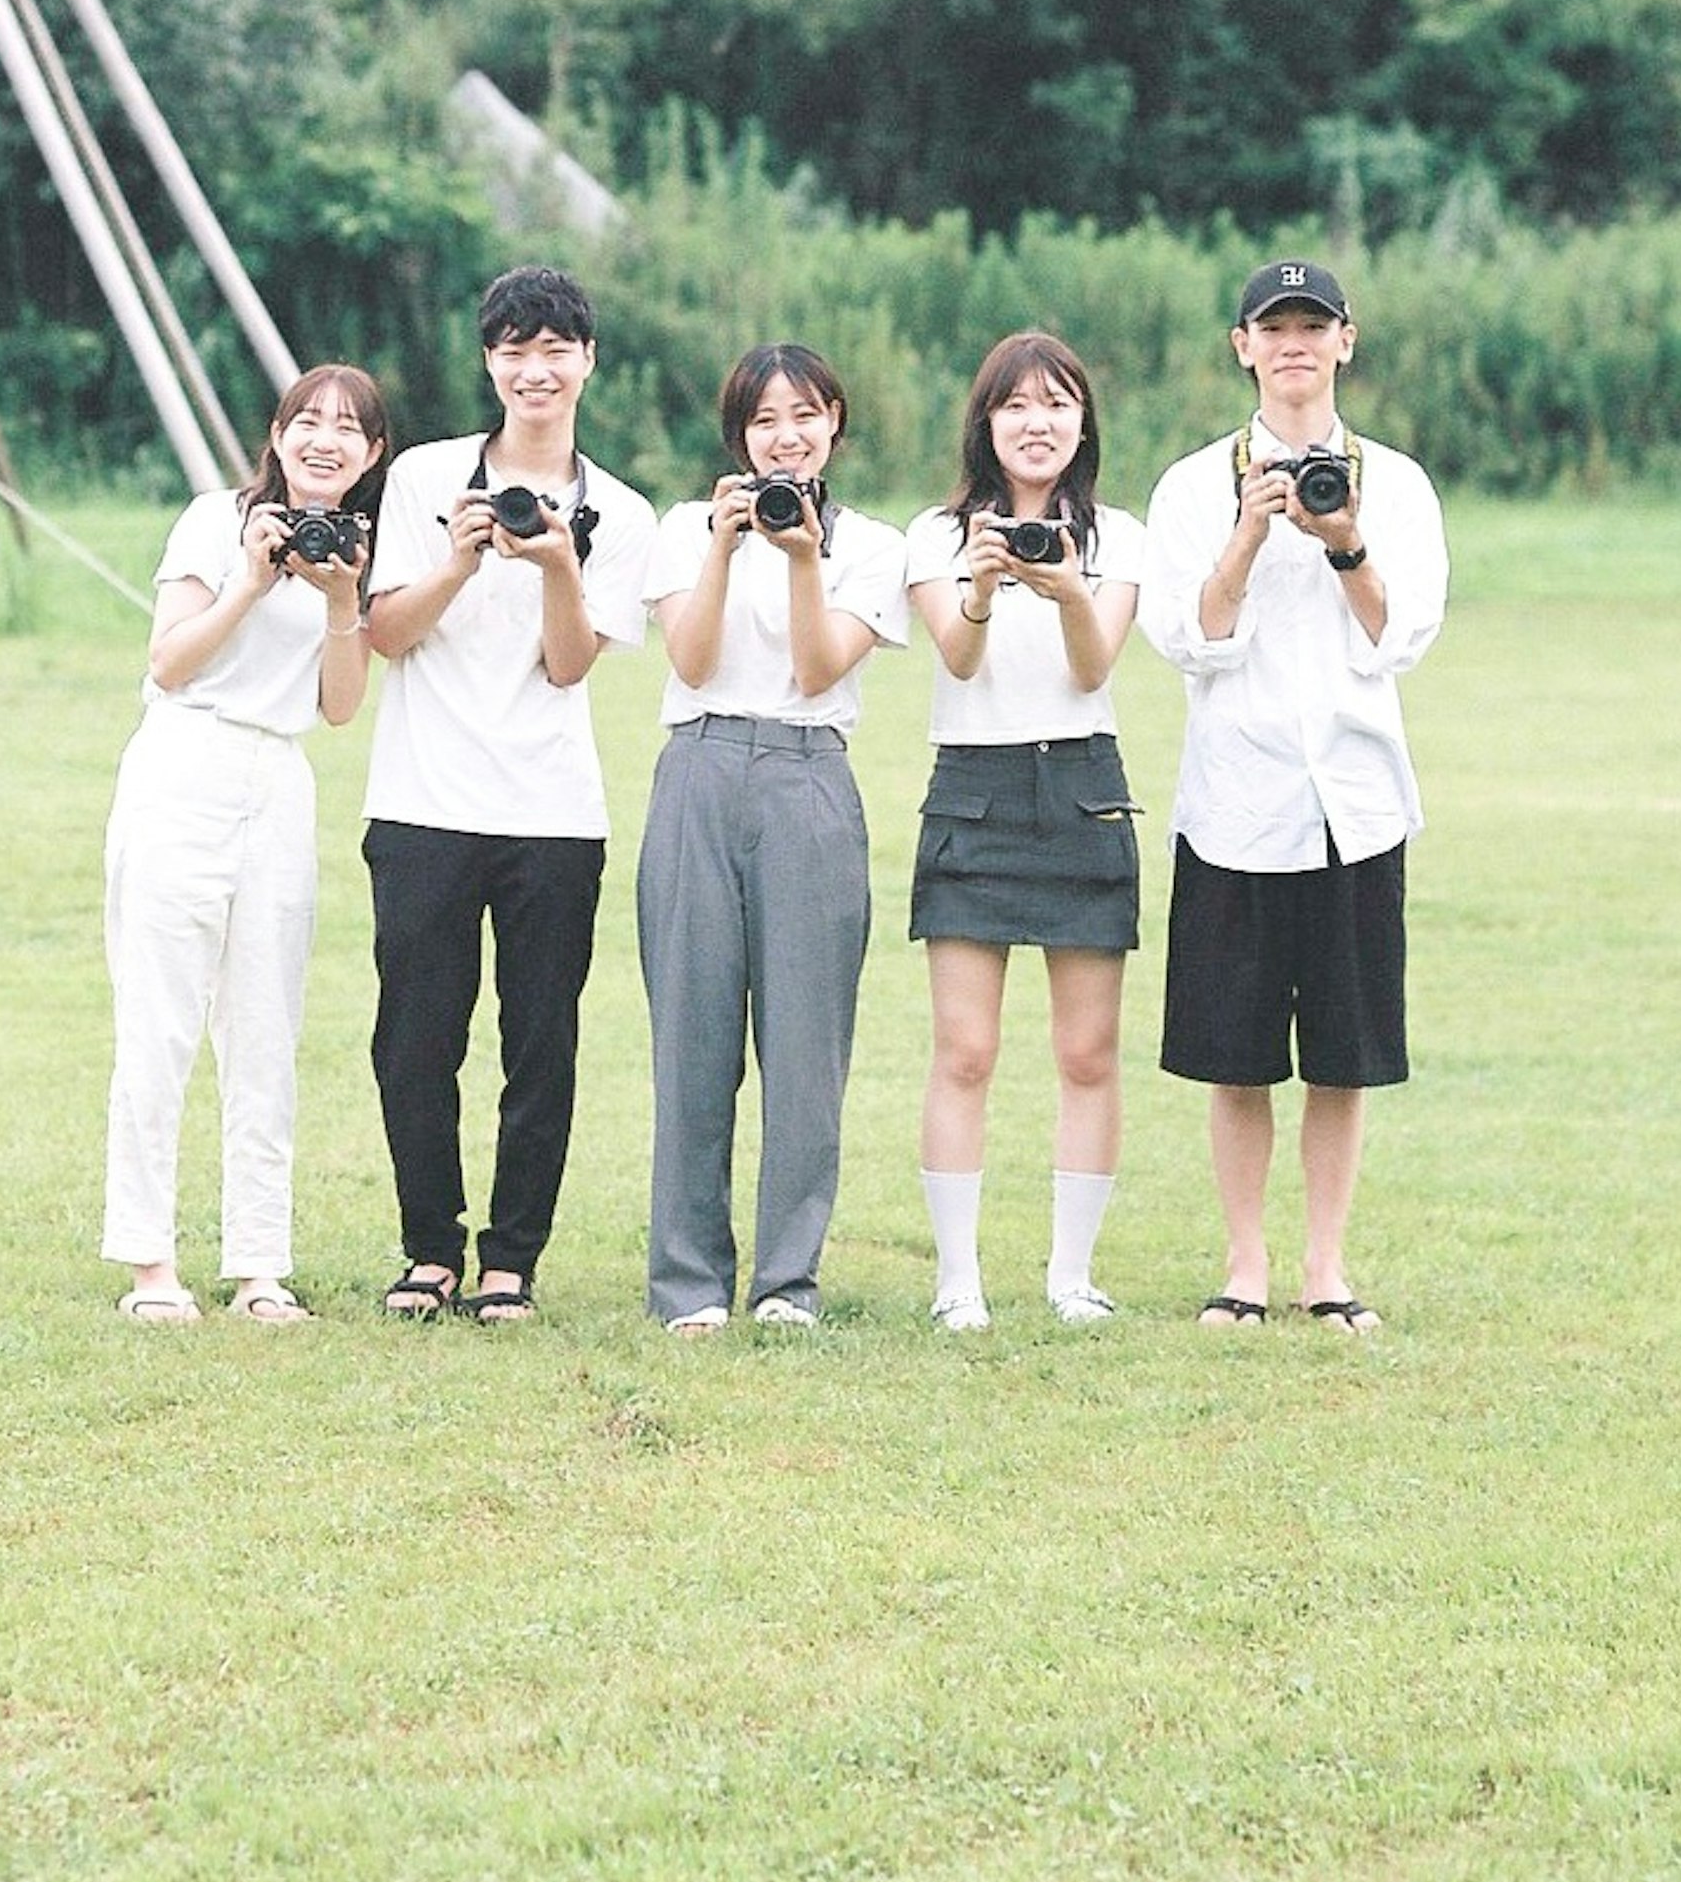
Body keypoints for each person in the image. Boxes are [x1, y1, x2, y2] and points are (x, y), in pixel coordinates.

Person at [1140, 260, 1448, 1333]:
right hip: (1237, 796)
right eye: (1275, 328)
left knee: (1343, 1054)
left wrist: (1343, 540)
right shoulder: (1191, 486)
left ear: (1346, 342)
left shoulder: (1394, 484)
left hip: (1356, 798)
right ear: (1242, 346)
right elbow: (1189, 637)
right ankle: (1245, 1265)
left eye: (1313, 326)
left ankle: (1327, 1265)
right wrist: (1249, 530)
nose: (1294, 346)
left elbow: (1399, 635)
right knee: (1236, 1053)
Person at [359, 266, 658, 1324]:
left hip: (552, 813)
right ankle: (429, 1249)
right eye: (514, 349)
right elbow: (384, 633)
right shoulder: (424, 478)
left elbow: (570, 665)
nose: (536, 369)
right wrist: (461, 555)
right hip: (421, 800)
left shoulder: (619, 511)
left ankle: (510, 1261)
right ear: (489, 361)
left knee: (541, 1040)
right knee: (416, 1035)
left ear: (586, 361)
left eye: (556, 349)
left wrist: (556, 566)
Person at [102, 364, 391, 1326]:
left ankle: (260, 1264)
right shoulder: (213, 520)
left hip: (279, 778)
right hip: (185, 764)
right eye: (307, 420)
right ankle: (149, 1263)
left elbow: (340, 708)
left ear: (371, 455)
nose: (325, 439)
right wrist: (251, 582)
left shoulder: (354, 551)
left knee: (267, 1027)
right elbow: (171, 662)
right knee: (162, 1021)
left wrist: (341, 595)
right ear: (274, 435)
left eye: (349, 429)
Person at [640, 343, 909, 1329]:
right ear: (740, 437)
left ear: (833, 419)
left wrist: (802, 561)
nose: (784, 436)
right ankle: (688, 1283)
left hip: (807, 779)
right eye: (763, 421)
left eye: (802, 415)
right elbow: (695, 659)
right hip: (699, 772)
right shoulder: (681, 530)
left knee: (805, 1046)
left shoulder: (872, 544)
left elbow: (816, 669)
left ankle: (787, 1281)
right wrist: (724, 546)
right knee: (692, 1038)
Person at [902, 332, 1147, 1330]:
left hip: (1082, 781)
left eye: (1057, 402)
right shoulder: (937, 531)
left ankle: (1070, 1273)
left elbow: (1095, 667)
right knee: (965, 1048)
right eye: (1015, 405)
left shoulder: (1118, 534)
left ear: (1082, 419)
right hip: (974, 786)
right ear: (985, 422)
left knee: (1088, 1051)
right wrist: (987, 579)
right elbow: (958, 658)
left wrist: (1071, 586)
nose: (1036, 422)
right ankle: (957, 1278)